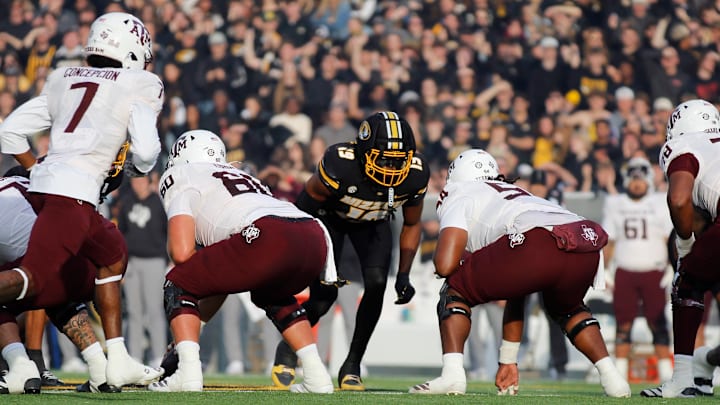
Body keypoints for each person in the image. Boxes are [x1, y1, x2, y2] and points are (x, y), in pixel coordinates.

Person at [0, 12, 163, 388]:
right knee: (35, 280)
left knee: (112, 253)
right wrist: (137, 170)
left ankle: (116, 357)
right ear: (134, 50)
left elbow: (9, 133)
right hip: (71, 194)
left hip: (45, 189)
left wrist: (38, 168)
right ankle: (99, 359)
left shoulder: (64, 77)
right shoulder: (140, 82)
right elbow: (146, 150)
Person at [409, 149, 630, 398]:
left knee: (455, 289)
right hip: (584, 239)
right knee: (569, 309)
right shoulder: (517, 194)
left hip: (536, 240)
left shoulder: (460, 192)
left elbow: (444, 264)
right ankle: (613, 380)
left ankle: (452, 375)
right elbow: (517, 286)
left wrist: (461, 263)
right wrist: (508, 360)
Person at [148, 130, 336, 393]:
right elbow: (221, 279)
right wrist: (194, 323)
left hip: (267, 233)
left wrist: (185, 323)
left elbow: (181, 254)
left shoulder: (182, 175)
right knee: (271, 292)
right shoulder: (243, 174)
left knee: (176, 281)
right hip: (312, 233)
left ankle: (187, 373)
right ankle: (317, 375)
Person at [271, 111, 430, 391]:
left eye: (398, 159)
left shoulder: (415, 174)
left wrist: (404, 274)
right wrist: (297, 249)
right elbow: (307, 203)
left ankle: (353, 364)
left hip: (374, 222)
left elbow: (412, 223)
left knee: (378, 284)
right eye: (383, 157)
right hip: (329, 218)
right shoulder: (340, 163)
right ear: (364, 151)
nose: (391, 167)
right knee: (323, 297)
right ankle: (288, 346)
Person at [0, 173, 161, 394]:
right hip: (94, 267)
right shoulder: (39, 188)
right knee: (57, 298)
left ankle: (20, 366)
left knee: (12, 292)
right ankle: (100, 368)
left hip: (52, 264)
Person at [640, 99, 720, 398]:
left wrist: (685, 245)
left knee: (686, 284)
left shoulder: (685, 145)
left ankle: (685, 375)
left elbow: (678, 199)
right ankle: (704, 363)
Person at [602, 156, 674, 383]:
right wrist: (603, 270)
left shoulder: (660, 202)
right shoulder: (615, 203)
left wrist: (674, 267)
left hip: (654, 271)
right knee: (623, 325)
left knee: (658, 323)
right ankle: (620, 376)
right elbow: (610, 241)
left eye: (641, 179)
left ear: (649, 181)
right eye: (633, 179)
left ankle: (667, 376)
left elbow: (670, 239)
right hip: (625, 270)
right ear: (626, 180)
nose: (636, 183)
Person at [116, 175, 168, 367]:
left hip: (154, 261)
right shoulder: (127, 202)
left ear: (150, 181)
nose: (138, 185)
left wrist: (169, 261)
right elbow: (121, 233)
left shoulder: (159, 203)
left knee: (154, 310)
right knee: (133, 310)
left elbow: (168, 231)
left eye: (141, 180)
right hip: (132, 262)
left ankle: (158, 356)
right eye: (135, 181)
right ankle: (135, 357)